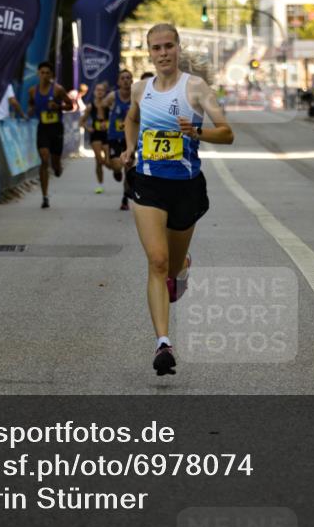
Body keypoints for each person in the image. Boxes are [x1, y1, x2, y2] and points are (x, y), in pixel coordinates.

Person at [119, 23, 234, 375]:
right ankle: (163, 344)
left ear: (178, 48)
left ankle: (181, 266)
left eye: (168, 46)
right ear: (149, 52)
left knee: (171, 266)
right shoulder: (140, 89)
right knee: (156, 261)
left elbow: (227, 133)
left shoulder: (195, 87)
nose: (163, 53)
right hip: (148, 184)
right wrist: (130, 148)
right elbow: (131, 119)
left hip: (185, 186)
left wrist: (197, 132)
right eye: (156, 48)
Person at [28, 61, 73, 209]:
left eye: (48, 73)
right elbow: (31, 103)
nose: (45, 75)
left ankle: (58, 167)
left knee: (55, 163)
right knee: (44, 159)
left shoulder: (58, 90)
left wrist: (58, 106)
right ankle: (45, 196)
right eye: (42, 72)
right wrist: (30, 110)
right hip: (43, 128)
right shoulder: (32, 91)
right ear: (38, 74)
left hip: (56, 128)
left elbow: (71, 105)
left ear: (52, 75)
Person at [101, 69, 134, 210]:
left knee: (128, 168)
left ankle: (125, 198)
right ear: (118, 82)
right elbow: (102, 105)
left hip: (129, 138)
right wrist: (103, 120)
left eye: (128, 78)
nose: (126, 80)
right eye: (123, 78)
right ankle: (116, 171)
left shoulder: (136, 97)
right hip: (114, 137)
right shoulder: (113, 96)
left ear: (132, 81)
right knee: (117, 165)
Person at [80, 81, 111, 194]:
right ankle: (100, 184)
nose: (99, 92)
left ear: (105, 92)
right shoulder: (90, 106)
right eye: (98, 90)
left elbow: (116, 117)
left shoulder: (109, 105)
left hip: (107, 134)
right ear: (94, 92)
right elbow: (81, 121)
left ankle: (115, 169)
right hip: (95, 135)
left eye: (102, 90)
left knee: (107, 161)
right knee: (99, 160)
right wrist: (88, 128)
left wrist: (110, 125)